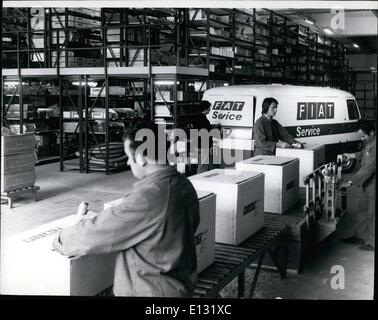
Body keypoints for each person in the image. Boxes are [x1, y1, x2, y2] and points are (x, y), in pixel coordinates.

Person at [53, 121, 200, 296]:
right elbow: (154, 225)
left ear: (141, 157)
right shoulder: (183, 184)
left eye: (129, 157)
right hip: (177, 284)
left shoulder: (151, 195)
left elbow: (98, 233)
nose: (129, 163)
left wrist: (61, 237)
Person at [341, 119, 376, 251]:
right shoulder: (370, 141)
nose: (362, 138)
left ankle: (372, 242)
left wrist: (351, 181)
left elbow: (369, 168)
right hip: (368, 183)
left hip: (373, 183)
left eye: (363, 135)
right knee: (362, 208)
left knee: (373, 213)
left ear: (371, 132)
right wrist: (352, 155)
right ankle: (360, 235)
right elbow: (363, 154)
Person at [192, 100, 214, 173]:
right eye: (209, 108)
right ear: (205, 109)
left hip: (196, 144)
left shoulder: (195, 118)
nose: (210, 110)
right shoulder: (204, 119)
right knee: (203, 166)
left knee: (200, 163)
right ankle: (199, 181)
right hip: (204, 145)